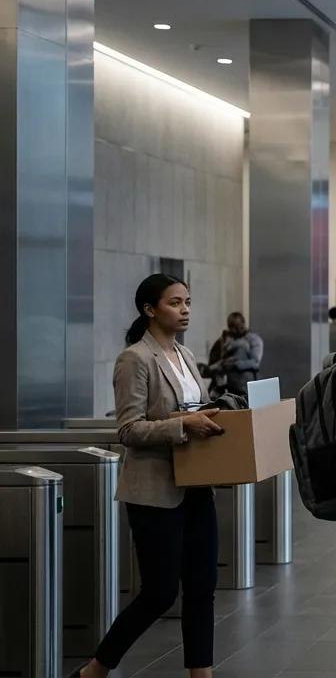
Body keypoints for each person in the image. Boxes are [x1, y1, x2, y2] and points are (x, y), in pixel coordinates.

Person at [75, 274, 224, 678]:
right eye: (175, 303)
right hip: (155, 491)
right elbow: (129, 430)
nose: (185, 310)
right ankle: (95, 669)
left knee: (201, 587)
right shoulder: (135, 359)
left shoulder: (186, 355)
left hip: (196, 485)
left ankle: (202, 674)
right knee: (159, 592)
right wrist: (182, 426)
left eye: (188, 302)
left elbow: (195, 408)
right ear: (149, 309)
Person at [217, 312, 262, 396]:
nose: (234, 330)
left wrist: (236, 364)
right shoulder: (231, 339)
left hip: (246, 385)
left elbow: (255, 362)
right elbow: (223, 357)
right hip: (232, 385)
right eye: (231, 327)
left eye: (236, 326)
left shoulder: (253, 340)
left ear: (243, 324)